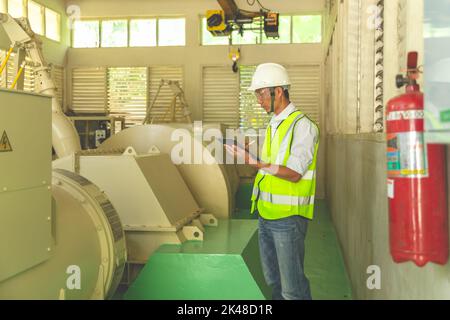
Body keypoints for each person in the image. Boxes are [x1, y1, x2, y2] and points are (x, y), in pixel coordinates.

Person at [226, 63, 319, 300]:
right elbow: (273, 162)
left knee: (292, 289)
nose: (258, 100)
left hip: (287, 218)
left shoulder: (303, 126)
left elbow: (294, 172)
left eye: (261, 93)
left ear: (278, 91)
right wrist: (251, 150)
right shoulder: (274, 124)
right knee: (273, 282)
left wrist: (254, 162)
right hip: (266, 216)